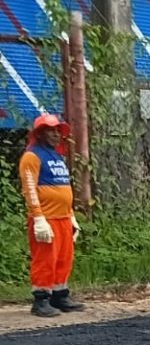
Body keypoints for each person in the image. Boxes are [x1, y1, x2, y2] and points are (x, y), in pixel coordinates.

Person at [19, 114, 83, 317]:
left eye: (58, 131)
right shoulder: (32, 156)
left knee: (64, 259)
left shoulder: (56, 156)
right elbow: (29, 188)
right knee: (45, 259)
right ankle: (41, 300)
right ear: (40, 133)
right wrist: (38, 218)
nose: (56, 134)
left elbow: (64, 187)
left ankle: (60, 295)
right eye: (50, 130)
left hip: (63, 218)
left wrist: (71, 216)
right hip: (46, 219)